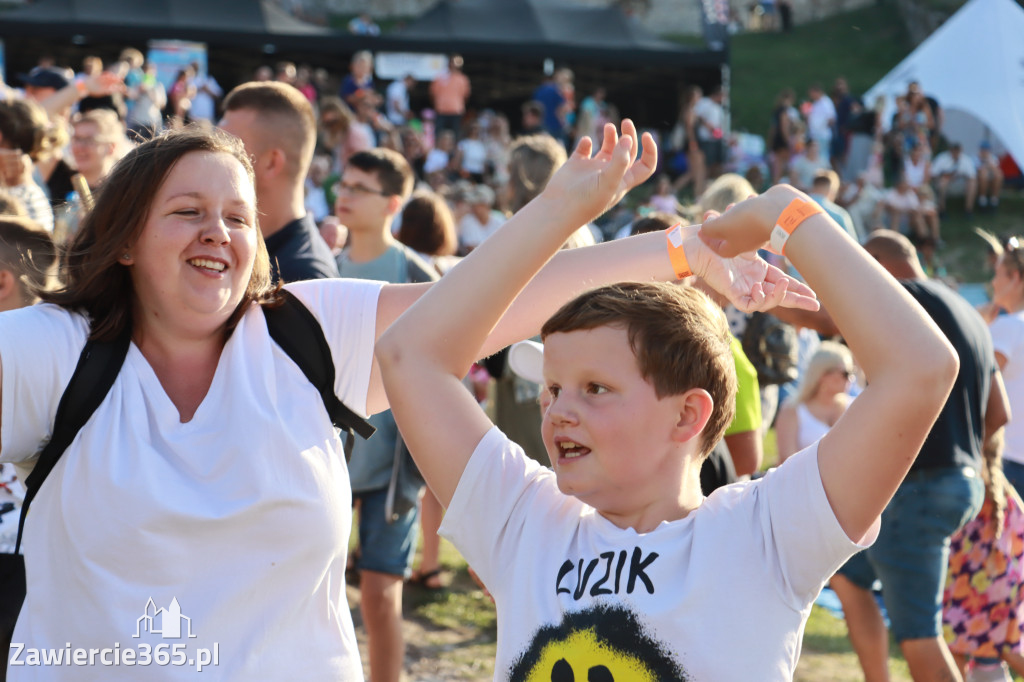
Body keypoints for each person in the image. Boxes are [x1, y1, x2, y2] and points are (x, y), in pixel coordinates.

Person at [0, 122, 812, 680]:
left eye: (238, 218)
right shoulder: (52, 349)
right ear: (129, 237)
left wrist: (679, 251)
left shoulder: (303, 330)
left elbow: (487, 303)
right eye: (188, 212)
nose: (219, 231)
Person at [376, 119, 960, 678]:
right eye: (552, 388)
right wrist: (561, 211)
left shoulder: (766, 537)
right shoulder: (525, 524)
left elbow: (922, 369)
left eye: (595, 388)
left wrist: (783, 213)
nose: (557, 410)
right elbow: (408, 355)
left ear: (688, 414)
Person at [830, 229, 1003, 682]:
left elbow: (827, 322)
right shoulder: (968, 311)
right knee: (848, 577)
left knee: (920, 635)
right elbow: (999, 412)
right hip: (959, 481)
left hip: (921, 487)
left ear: (877, 264)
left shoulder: (901, 298)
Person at [332, 148, 439, 682]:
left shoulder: (415, 274)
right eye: (342, 183)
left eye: (359, 187)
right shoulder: (324, 265)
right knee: (315, 585)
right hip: (327, 458)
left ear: (392, 203)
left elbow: (444, 365)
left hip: (392, 469)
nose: (343, 194)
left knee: (380, 592)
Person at [220, 81, 339, 283]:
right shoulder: (236, 245)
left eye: (228, 149)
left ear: (271, 164)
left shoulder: (304, 279)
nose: (214, 159)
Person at [943, 425, 1024, 681]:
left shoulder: (962, 491)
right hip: (998, 596)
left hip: (959, 594)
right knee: (1003, 653)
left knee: (952, 650)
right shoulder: (1007, 494)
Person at [775, 341, 855, 464]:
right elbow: (787, 461)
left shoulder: (854, 408)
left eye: (851, 373)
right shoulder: (792, 410)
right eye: (845, 373)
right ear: (823, 375)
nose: (851, 379)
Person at [989, 238, 1024, 497]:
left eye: (997, 274)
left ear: (1015, 277)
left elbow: (977, 385)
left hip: (1009, 457)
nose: (993, 282)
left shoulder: (1008, 327)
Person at [430, 55, 470, 139]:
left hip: (456, 111)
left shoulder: (462, 79)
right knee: (439, 135)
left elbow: (466, 96)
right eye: (452, 62)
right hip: (441, 110)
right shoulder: (440, 77)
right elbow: (433, 93)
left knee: (455, 135)